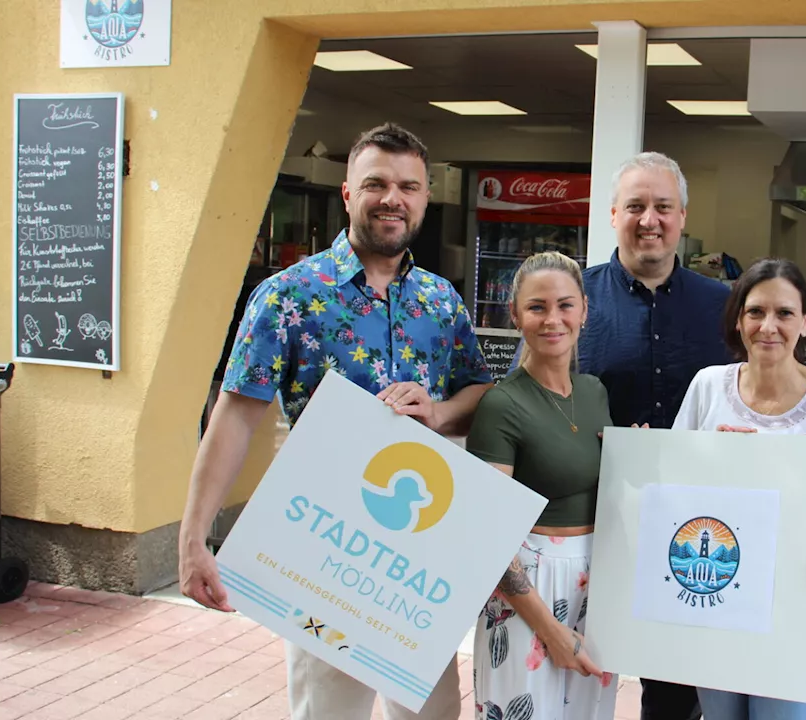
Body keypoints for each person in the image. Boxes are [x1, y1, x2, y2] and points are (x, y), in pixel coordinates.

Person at [177, 122, 495, 720]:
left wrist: (440, 412)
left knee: (432, 713)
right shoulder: (287, 295)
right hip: (328, 546)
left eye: (409, 186)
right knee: (328, 712)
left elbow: (478, 388)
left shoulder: (440, 300)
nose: (392, 198)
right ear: (348, 194)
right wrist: (194, 536)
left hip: (420, 553)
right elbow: (235, 417)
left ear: (426, 198)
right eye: (375, 183)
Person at [511, 152, 732, 720]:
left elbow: (749, 399)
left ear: (682, 216)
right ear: (612, 214)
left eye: (662, 206)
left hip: (690, 526)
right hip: (585, 530)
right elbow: (525, 403)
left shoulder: (724, 308)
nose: (649, 219)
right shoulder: (571, 302)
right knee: (571, 677)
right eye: (635, 206)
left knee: (675, 686)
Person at [671, 258, 806, 720]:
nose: (769, 326)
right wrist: (708, 460)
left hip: (797, 611)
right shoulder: (707, 386)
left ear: (805, 322)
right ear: (738, 320)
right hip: (718, 605)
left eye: (784, 313)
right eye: (756, 312)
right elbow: (675, 491)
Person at [466, 251, 618, 719]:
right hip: (525, 593)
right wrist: (550, 631)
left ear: (584, 312)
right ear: (515, 315)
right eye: (537, 307)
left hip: (597, 583)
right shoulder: (501, 405)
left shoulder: (594, 392)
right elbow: (487, 539)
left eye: (565, 305)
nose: (553, 319)